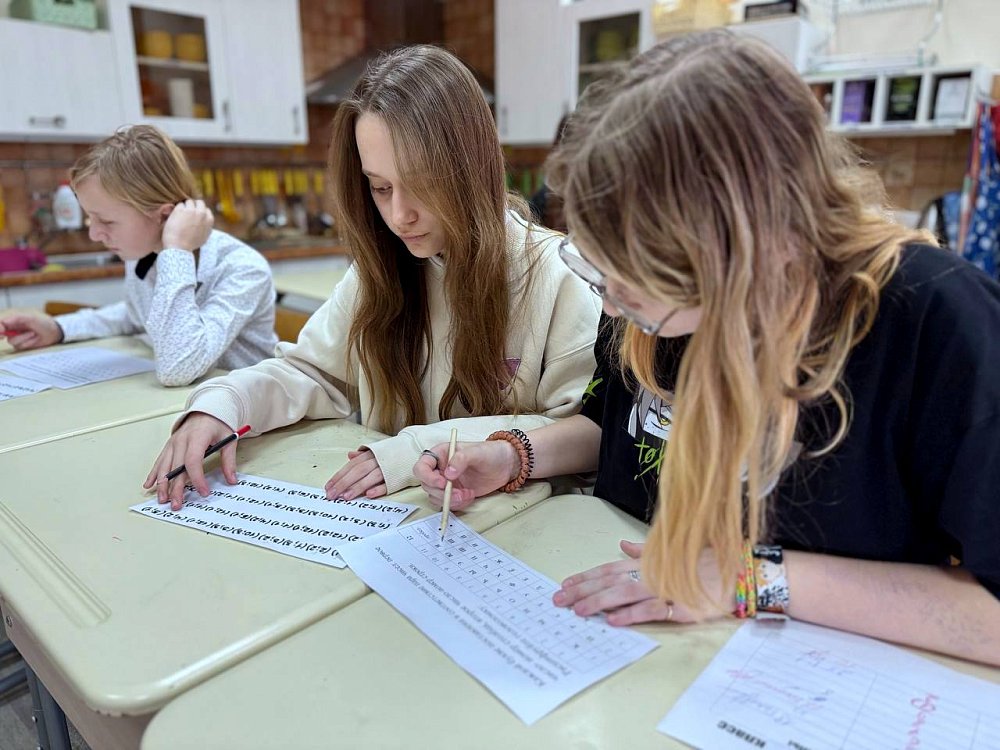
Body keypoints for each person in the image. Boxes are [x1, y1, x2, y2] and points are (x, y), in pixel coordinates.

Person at [415, 30, 1000, 666]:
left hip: (812, 672)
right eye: (601, 272)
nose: (611, 307)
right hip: (642, 640)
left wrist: (745, 579)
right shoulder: (654, 306)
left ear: (739, 246)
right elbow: (614, 424)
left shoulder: (936, 324)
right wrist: (514, 457)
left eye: (632, 279)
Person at [144, 45, 600, 511]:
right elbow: (311, 373)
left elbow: (590, 432)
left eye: (422, 184)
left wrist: (416, 448)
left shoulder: (557, 276)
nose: (400, 215)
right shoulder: (380, 269)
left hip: (515, 528)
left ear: (471, 169)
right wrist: (223, 404)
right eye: (381, 188)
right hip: (399, 519)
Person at [0, 125, 277, 387]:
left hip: (249, 406)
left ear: (165, 216)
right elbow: (135, 315)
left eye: (106, 221)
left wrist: (176, 252)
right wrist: (58, 328)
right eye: (90, 219)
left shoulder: (242, 268)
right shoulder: (142, 254)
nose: (94, 234)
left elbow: (178, 368)